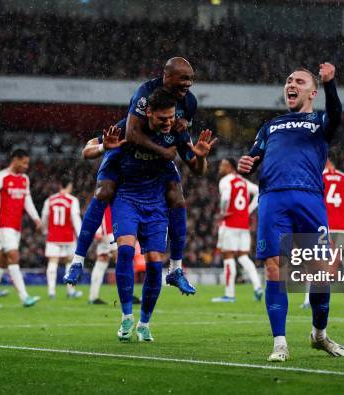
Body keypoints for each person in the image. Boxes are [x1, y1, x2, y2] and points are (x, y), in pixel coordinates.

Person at [238, 64, 344, 362]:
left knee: (322, 273)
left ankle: (319, 335)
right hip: (273, 198)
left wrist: (331, 84)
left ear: (312, 92)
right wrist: (245, 163)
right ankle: (279, 342)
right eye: (288, 80)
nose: (291, 84)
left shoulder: (320, 121)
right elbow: (253, 155)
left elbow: (337, 115)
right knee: (274, 268)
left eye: (299, 81)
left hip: (310, 199)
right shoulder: (270, 126)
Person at [67, 58, 197, 295]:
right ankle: (77, 260)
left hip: (156, 162)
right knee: (105, 191)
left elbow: (186, 143)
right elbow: (130, 133)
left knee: (178, 198)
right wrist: (105, 147)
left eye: (191, 79)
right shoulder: (144, 95)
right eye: (183, 79)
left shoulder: (189, 102)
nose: (188, 84)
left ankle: (176, 268)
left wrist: (195, 151)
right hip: (130, 156)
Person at [97, 88, 215, 342]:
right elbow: (88, 148)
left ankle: (145, 323)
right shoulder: (128, 129)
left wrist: (201, 157)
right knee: (126, 251)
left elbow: (197, 169)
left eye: (172, 117)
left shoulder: (176, 131)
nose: (169, 122)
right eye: (164, 118)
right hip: (127, 195)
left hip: (155, 201)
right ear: (148, 113)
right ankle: (126, 318)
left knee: (153, 261)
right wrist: (98, 148)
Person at [0, 149, 43, 308]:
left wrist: (36, 219)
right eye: (24, 162)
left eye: (27, 163)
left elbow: (28, 201)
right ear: (15, 160)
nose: (26, 166)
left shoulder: (24, 179)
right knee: (14, 255)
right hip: (2, 226)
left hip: (16, 227)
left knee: (2, 261)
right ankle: (24, 296)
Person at [300, 159, 344, 309]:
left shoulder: (316, 177)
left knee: (313, 261)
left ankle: (308, 300)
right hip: (342, 227)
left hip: (322, 226)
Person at [212, 158, 262, 303]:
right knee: (243, 257)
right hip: (243, 225)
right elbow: (259, 191)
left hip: (230, 224)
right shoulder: (243, 181)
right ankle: (258, 286)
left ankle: (229, 294)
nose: (220, 167)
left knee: (228, 257)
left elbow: (226, 197)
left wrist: (222, 211)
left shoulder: (225, 181)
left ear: (230, 167)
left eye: (223, 165)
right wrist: (248, 210)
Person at [42, 177, 83, 299]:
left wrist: (45, 230)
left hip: (53, 236)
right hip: (67, 236)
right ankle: (70, 291)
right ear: (69, 186)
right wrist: (81, 235)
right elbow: (75, 218)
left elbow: (44, 217)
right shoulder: (72, 200)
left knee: (52, 262)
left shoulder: (50, 200)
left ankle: (51, 292)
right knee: (70, 262)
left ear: (60, 185)